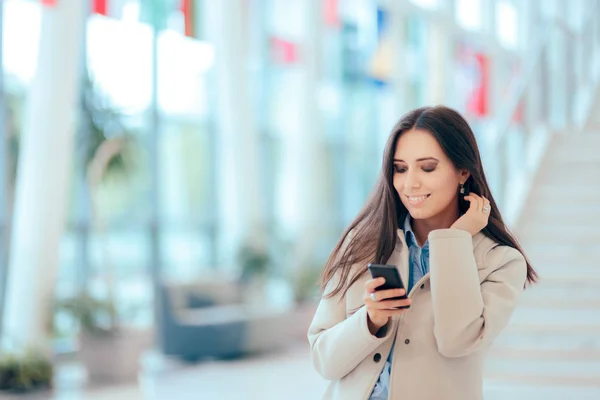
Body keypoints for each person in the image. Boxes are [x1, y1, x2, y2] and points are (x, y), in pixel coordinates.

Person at [307, 106, 537, 400]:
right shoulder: (361, 245)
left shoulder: (500, 262)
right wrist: (370, 320)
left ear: (463, 171)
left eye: (427, 167)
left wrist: (455, 240)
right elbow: (323, 360)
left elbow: (458, 340)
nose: (410, 183)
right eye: (400, 168)